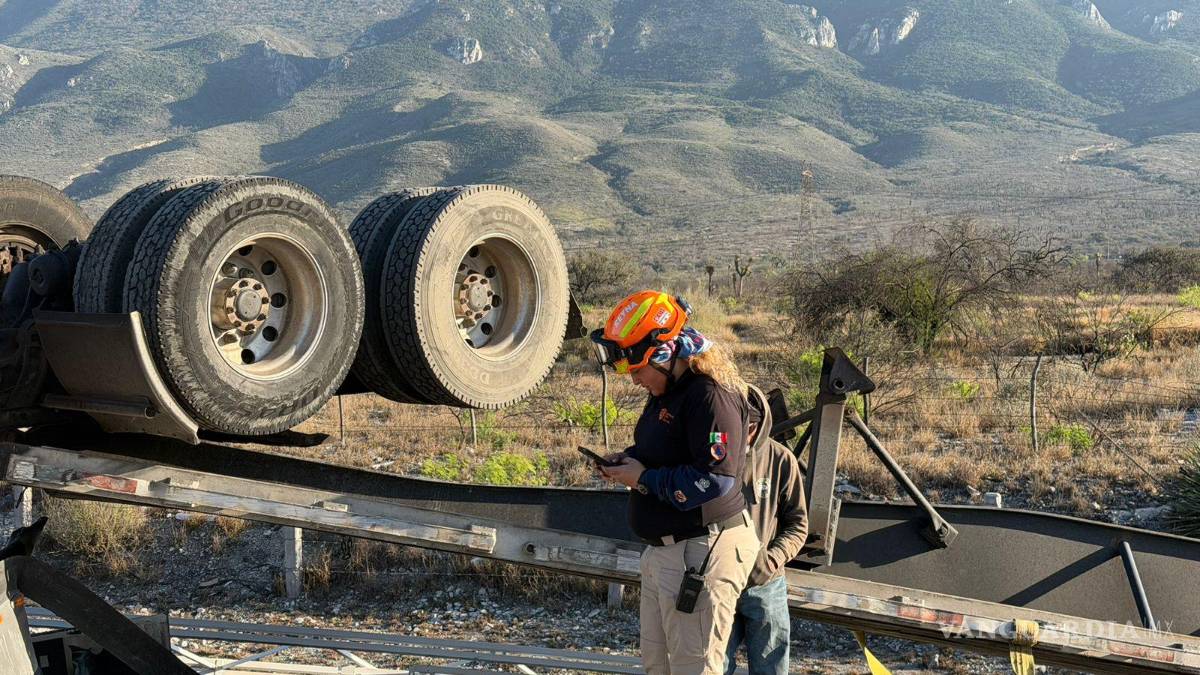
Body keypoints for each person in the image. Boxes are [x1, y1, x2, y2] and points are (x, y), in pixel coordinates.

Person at [590, 290, 759, 675]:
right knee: (657, 666)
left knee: (692, 669)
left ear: (665, 354)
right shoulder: (666, 390)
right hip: (665, 553)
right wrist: (630, 462)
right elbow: (667, 449)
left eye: (637, 369)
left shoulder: (711, 395)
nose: (634, 380)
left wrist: (645, 478)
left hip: (701, 551)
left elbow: (716, 480)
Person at [723, 385, 808, 675]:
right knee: (713, 666)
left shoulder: (782, 460)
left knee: (771, 669)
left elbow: (798, 524)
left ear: (756, 426)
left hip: (766, 586)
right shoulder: (710, 455)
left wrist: (769, 561)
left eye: (741, 428)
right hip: (718, 583)